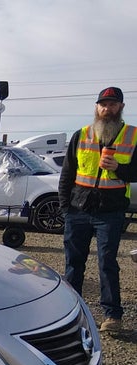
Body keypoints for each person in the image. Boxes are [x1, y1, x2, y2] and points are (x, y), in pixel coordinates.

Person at [58, 86, 137, 332]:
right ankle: (71, 311)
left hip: (110, 212)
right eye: (103, 104)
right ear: (96, 107)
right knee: (74, 263)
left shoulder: (133, 136)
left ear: (121, 107)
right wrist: (65, 209)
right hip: (78, 209)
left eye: (112, 104)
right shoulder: (81, 135)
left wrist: (118, 169)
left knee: (107, 263)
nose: (107, 108)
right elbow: (67, 173)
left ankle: (112, 316)